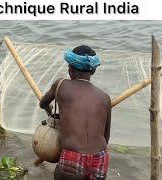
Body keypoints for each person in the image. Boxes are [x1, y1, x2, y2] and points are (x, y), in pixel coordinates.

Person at [38, 45, 111, 180]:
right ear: (93, 70)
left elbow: (43, 103)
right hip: (100, 158)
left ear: (70, 68)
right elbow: (106, 137)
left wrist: (49, 110)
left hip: (74, 157)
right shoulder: (105, 97)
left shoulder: (60, 85)